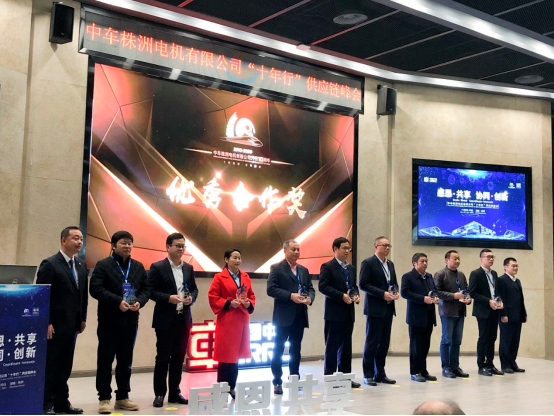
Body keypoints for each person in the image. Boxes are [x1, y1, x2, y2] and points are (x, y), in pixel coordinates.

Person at [90, 231, 150, 414]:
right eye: (123, 243)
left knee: (125, 361)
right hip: (109, 321)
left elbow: (147, 289)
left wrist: (140, 301)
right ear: (114, 245)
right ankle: (104, 398)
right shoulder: (103, 265)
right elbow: (95, 289)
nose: (127, 246)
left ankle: (123, 397)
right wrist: (117, 301)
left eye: (130, 243)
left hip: (130, 321)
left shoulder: (138, 266)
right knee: (105, 360)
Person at [36, 227, 88, 416]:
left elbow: (83, 295)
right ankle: (47, 403)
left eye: (81, 238)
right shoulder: (50, 264)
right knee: (51, 366)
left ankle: (62, 402)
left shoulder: (80, 265)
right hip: (54, 326)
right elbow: (41, 295)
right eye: (75, 238)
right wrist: (46, 321)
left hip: (72, 325)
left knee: (65, 366)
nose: (79, 242)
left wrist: (82, 318)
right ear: (63, 240)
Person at [148, 233, 199, 407]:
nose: (181, 249)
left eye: (183, 246)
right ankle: (159, 394)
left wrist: (192, 298)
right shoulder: (157, 267)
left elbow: (194, 289)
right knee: (162, 358)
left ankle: (175, 392)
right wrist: (167, 298)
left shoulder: (188, 268)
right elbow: (150, 291)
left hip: (183, 318)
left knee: (178, 358)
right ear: (168, 247)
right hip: (165, 320)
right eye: (178, 245)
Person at [267, 240, 315, 395]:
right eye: (293, 249)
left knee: (296, 350)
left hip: (300, 315)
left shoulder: (303, 270)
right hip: (283, 316)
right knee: (278, 349)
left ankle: (294, 378)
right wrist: (290, 296)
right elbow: (271, 289)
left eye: (298, 249)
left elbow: (310, 288)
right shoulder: (276, 268)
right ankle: (277, 381)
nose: (296, 252)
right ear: (285, 251)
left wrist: (310, 298)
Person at [208, 249, 256, 400]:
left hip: (241, 319)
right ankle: (222, 387)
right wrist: (228, 303)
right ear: (226, 259)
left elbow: (251, 295)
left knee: (235, 356)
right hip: (227, 319)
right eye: (234, 258)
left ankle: (232, 387)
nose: (238, 261)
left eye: (239, 258)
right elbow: (213, 296)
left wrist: (248, 303)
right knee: (225, 355)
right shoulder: (219, 277)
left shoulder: (245, 276)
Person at [318, 237, 361, 388]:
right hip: (334, 313)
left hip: (348, 313)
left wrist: (356, 296)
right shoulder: (327, 266)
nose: (347, 251)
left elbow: (353, 286)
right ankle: (330, 378)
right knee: (332, 347)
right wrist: (341, 295)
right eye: (344, 248)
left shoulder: (351, 268)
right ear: (335, 249)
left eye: (348, 248)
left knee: (346, 347)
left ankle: (345, 377)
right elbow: (323, 287)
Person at [359, 236, 399, 387]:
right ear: (376, 247)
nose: (387, 248)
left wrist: (395, 292)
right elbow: (363, 284)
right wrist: (382, 294)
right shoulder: (368, 263)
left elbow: (393, 282)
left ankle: (380, 373)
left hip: (388, 307)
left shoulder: (390, 264)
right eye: (384, 245)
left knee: (384, 343)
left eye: (389, 245)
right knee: (372, 342)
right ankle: (368, 374)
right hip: (375, 308)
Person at [401, 253, 439, 383]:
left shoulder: (429, 276)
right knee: (416, 346)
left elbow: (434, 290)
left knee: (425, 345)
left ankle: (423, 370)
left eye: (426, 261)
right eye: (422, 261)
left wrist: (435, 298)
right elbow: (404, 293)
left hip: (429, 315)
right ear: (414, 263)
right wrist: (423, 299)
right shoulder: (408, 276)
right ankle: (415, 371)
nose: (425, 264)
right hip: (416, 316)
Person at [434, 250, 472, 379]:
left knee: (457, 341)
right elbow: (437, 292)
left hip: (460, 311)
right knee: (447, 340)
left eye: (458, 259)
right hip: (447, 312)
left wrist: (468, 299)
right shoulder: (440, 274)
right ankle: (446, 367)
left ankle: (455, 367)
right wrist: (453, 296)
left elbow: (467, 290)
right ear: (447, 260)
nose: (457, 261)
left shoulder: (461, 275)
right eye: (454, 259)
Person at [468, 249, 504, 377]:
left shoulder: (494, 273)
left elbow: (496, 291)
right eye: (488, 257)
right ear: (481, 258)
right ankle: (481, 365)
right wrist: (488, 301)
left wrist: (499, 300)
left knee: (492, 338)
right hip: (483, 310)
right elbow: (472, 293)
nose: (491, 259)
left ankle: (490, 363)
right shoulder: (476, 273)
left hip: (494, 309)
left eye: (492, 257)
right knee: (483, 338)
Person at [497, 257, 527, 374]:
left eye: (516, 266)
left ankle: (512, 362)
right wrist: (503, 314)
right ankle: (505, 365)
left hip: (517, 315)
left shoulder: (517, 281)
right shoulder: (502, 280)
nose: (515, 268)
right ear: (505, 267)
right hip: (507, 316)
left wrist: (524, 313)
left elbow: (521, 299)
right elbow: (501, 298)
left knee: (515, 340)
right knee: (506, 340)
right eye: (513, 266)